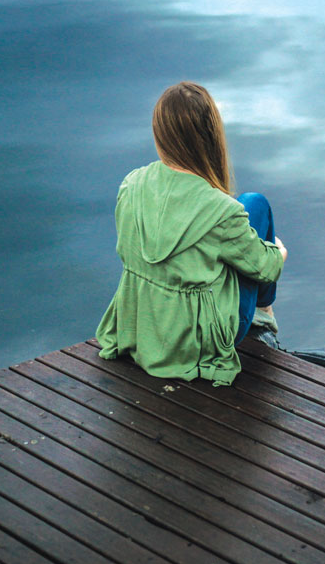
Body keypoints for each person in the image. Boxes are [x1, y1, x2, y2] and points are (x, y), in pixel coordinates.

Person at [95, 81, 287, 386]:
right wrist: (277, 251)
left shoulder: (130, 185)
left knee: (242, 216)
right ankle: (263, 317)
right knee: (255, 204)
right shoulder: (223, 211)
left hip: (143, 329)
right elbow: (269, 268)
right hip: (197, 344)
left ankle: (260, 315)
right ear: (210, 138)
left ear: (159, 135)